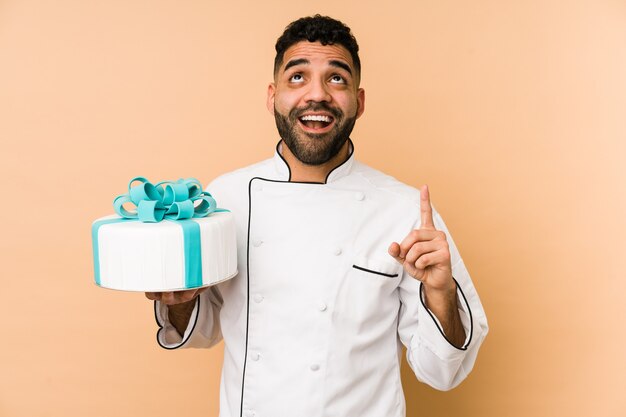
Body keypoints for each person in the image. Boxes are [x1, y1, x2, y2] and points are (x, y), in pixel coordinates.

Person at [146, 14, 488, 417]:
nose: (317, 94)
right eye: (297, 77)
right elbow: (201, 331)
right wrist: (179, 300)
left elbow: (440, 373)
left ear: (358, 103)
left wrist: (442, 294)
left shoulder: (406, 212)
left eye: (337, 78)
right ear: (272, 96)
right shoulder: (224, 199)